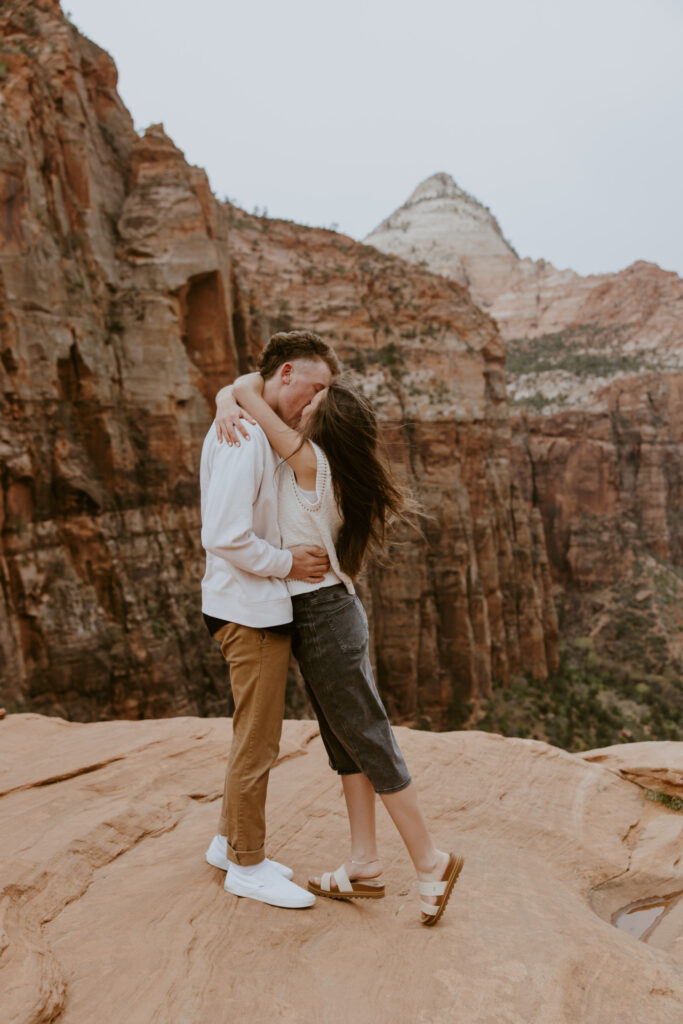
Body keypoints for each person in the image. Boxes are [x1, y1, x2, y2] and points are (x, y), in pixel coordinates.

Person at [215, 369, 464, 926]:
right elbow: (247, 392)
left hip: (324, 618)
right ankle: (364, 862)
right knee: (344, 742)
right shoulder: (324, 462)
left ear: (322, 422)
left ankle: (431, 861)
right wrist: (221, 398)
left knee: (367, 738)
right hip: (327, 615)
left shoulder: (310, 462)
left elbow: (250, 392)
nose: (303, 401)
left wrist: (227, 398)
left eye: (316, 398)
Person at [201, 331, 340, 909]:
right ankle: (247, 865)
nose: (317, 403)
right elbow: (224, 534)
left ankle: (226, 842)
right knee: (259, 743)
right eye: (315, 388)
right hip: (249, 611)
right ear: (285, 374)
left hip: (248, 603)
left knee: (250, 735)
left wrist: (229, 393)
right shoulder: (245, 436)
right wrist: (288, 564)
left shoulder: (252, 420)